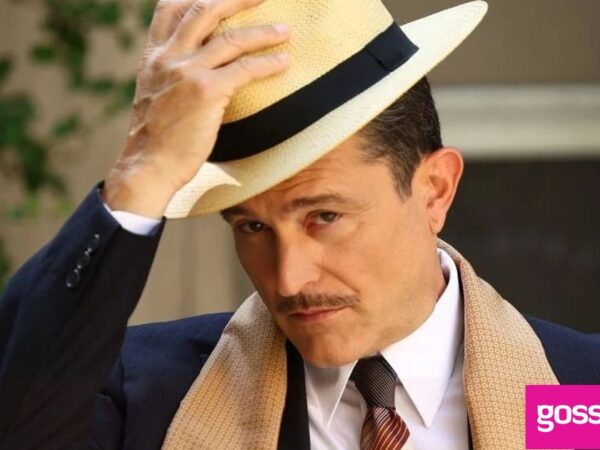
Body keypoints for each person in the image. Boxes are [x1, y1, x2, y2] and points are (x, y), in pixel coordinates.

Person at [0, 0, 598, 449]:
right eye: (251, 227)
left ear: (435, 189)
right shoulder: (151, 396)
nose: (288, 279)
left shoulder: (580, 396)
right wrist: (142, 170)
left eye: (324, 217)